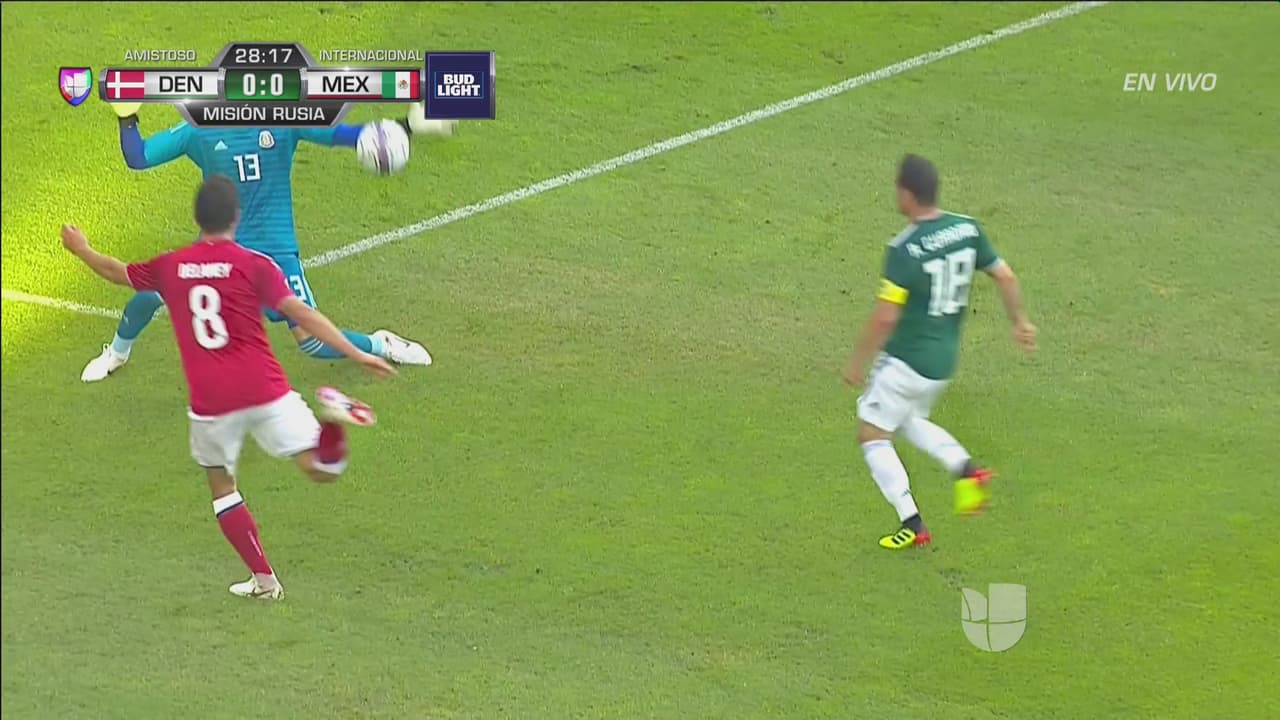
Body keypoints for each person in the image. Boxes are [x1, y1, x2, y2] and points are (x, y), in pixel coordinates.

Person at [62, 174, 397, 599]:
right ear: (236, 217)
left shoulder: (171, 265)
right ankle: (333, 424)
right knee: (320, 469)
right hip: (265, 389)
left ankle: (265, 581)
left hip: (212, 402)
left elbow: (116, 272)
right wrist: (357, 353)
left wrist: (81, 248)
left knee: (223, 489)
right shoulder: (256, 265)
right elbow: (303, 315)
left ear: (196, 218)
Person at [79, 101, 451, 382]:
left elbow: (350, 136)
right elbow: (139, 157)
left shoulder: (283, 120)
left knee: (313, 342)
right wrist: (126, 115)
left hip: (275, 251)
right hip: (219, 246)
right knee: (153, 291)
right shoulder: (201, 130)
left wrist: (405, 127)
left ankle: (382, 344)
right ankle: (117, 353)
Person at [841, 154, 1037, 550]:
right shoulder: (967, 228)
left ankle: (912, 523)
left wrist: (857, 362)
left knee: (872, 434)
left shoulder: (904, 249)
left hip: (906, 362)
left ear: (907, 194)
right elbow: (1004, 274)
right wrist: (1019, 321)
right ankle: (966, 470)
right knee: (909, 419)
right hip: (942, 364)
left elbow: (885, 317)